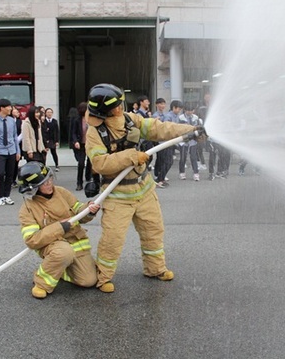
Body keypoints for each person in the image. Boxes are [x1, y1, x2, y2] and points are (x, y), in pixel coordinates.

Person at [85, 83, 200, 293]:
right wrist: (131, 156)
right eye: (118, 104)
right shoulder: (95, 133)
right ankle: (103, 277)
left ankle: (155, 269)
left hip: (144, 189)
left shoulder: (131, 120)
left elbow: (159, 128)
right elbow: (99, 163)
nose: (121, 106)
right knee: (113, 239)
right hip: (117, 194)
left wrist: (192, 130)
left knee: (153, 231)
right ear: (112, 108)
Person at [16, 161, 100, 299]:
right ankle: (41, 282)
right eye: (44, 183)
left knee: (88, 281)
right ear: (34, 188)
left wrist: (88, 210)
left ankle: (60, 270)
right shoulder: (28, 208)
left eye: (49, 179)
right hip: (54, 246)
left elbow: (78, 210)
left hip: (75, 242)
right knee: (63, 252)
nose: (49, 184)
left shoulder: (61, 192)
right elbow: (32, 240)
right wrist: (60, 227)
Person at [155, 100, 184, 188]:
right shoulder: (168, 116)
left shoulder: (176, 116)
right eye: (178, 108)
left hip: (171, 142)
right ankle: (160, 179)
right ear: (174, 107)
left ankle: (161, 178)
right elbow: (167, 129)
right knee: (168, 161)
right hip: (165, 142)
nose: (179, 110)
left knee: (167, 161)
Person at [70, 102, 96, 191]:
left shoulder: (92, 119)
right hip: (81, 144)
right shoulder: (76, 120)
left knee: (90, 162)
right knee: (81, 163)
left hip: (90, 144)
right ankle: (79, 183)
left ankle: (88, 176)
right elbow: (73, 132)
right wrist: (75, 141)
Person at [178, 106, 201, 181]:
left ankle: (196, 173)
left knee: (193, 157)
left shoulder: (196, 117)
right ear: (185, 110)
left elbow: (198, 127)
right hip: (184, 140)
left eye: (191, 110)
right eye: (188, 110)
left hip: (193, 140)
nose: (190, 112)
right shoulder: (181, 118)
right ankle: (182, 173)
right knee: (183, 157)